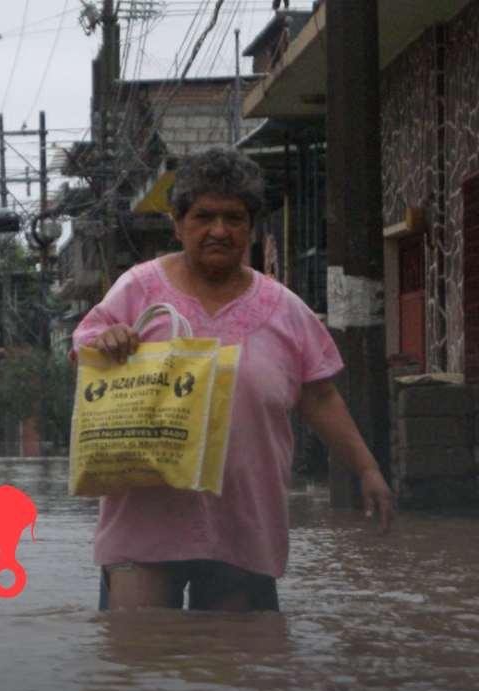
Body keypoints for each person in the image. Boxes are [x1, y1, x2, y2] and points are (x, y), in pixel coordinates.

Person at [71, 147, 394, 613]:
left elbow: (320, 398)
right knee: (136, 669)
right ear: (178, 224)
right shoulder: (138, 289)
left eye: (234, 218)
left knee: (242, 672)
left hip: (244, 521)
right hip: (144, 523)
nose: (219, 231)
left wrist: (368, 471)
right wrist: (110, 339)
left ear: (252, 227)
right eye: (203, 216)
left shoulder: (285, 308)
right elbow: (84, 357)